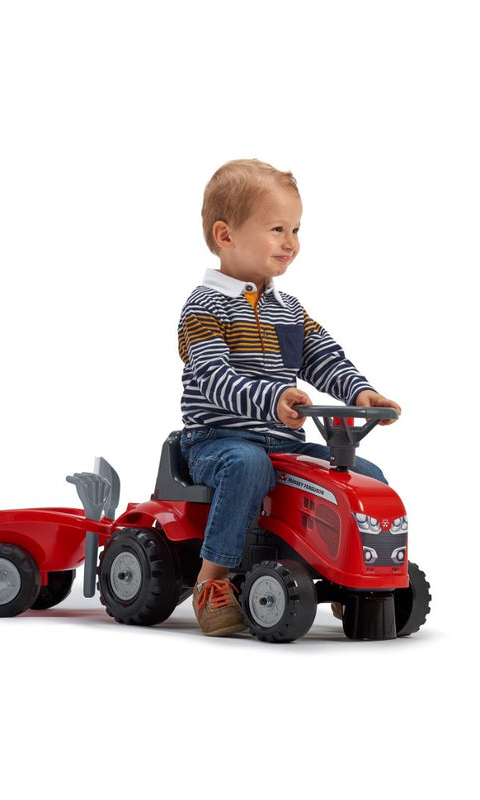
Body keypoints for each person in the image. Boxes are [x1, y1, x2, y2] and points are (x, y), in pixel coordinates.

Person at [178, 159, 401, 636]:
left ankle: (356, 577)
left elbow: (324, 357)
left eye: (296, 229)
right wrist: (272, 398)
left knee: (364, 475)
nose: (291, 242)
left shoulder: (289, 309)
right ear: (226, 235)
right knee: (248, 465)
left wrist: (359, 391)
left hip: (283, 442)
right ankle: (211, 580)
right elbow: (213, 376)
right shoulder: (204, 306)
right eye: (277, 229)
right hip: (217, 441)